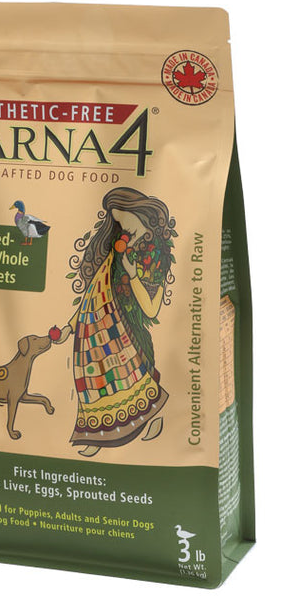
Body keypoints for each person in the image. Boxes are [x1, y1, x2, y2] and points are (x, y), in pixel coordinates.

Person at [56, 187, 177, 457]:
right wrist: (70, 326)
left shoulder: (155, 254)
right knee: (99, 383)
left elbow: (151, 309)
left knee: (138, 386)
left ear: (140, 213)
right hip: (102, 331)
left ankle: (154, 419)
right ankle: (96, 434)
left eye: (125, 218)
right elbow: (94, 294)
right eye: (117, 221)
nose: (123, 227)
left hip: (132, 333)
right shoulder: (116, 250)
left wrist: (133, 275)